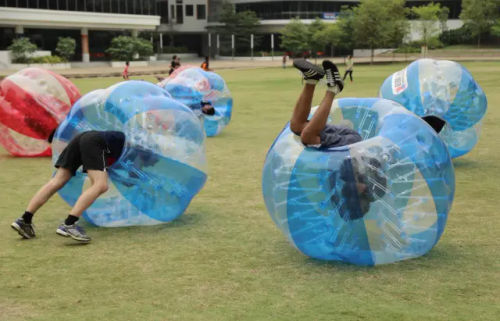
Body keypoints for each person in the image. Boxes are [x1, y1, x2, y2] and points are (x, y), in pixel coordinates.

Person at [291, 59, 386, 221]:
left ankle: (311, 79)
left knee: (297, 126)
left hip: (341, 144)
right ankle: (334, 88)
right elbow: (373, 161)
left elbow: (327, 170)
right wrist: (362, 179)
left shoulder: (339, 190)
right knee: (308, 137)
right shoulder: (376, 188)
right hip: (350, 143)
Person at [11, 130, 126, 242]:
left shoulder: (123, 141)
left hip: (81, 137)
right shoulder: (133, 150)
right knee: (101, 185)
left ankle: (25, 219)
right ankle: (69, 224)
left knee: (57, 180)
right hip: (95, 141)